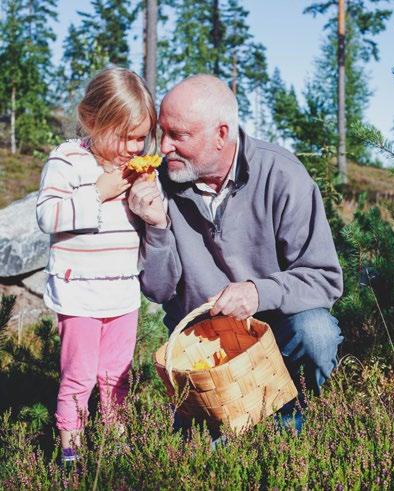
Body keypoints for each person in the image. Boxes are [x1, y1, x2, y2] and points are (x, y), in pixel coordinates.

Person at [129, 74, 343, 430]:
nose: (163, 147)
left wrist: (258, 292)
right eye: (161, 133)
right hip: (203, 347)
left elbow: (324, 279)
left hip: (276, 332)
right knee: (201, 463)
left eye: (178, 135)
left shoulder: (283, 175)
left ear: (222, 135)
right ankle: (226, 430)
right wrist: (156, 226)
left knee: (316, 332)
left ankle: (290, 420)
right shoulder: (158, 184)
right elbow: (158, 290)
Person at [36, 67, 158, 464]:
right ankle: (70, 445)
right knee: (80, 374)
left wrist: (147, 201)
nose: (134, 147)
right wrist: (97, 192)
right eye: (125, 136)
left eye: (140, 137)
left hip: (123, 291)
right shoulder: (68, 160)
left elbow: (140, 225)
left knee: (116, 375)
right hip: (80, 291)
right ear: (92, 121)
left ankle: (115, 441)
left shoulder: (136, 168)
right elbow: (48, 216)